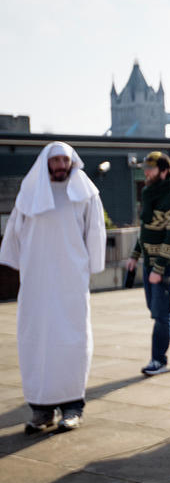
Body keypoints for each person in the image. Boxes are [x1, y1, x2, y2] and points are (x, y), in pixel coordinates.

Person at [0, 142, 106, 433]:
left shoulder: (86, 194)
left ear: (72, 162)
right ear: (46, 163)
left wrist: (90, 268)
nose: (60, 165)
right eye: (55, 160)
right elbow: (15, 234)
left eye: (65, 160)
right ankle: (41, 410)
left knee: (72, 340)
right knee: (36, 341)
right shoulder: (29, 194)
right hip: (36, 282)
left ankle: (72, 407)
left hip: (71, 279)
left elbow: (95, 233)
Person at [126, 152, 170, 376]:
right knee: (158, 309)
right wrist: (135, 255)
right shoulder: (149, 193)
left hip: (166, 263)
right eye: (145, 168)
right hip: (149, 260)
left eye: (151, 168)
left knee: (160, 313)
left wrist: (158, 269)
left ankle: (159, 359)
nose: (146, 172)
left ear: (164, 171)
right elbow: (146, 231)